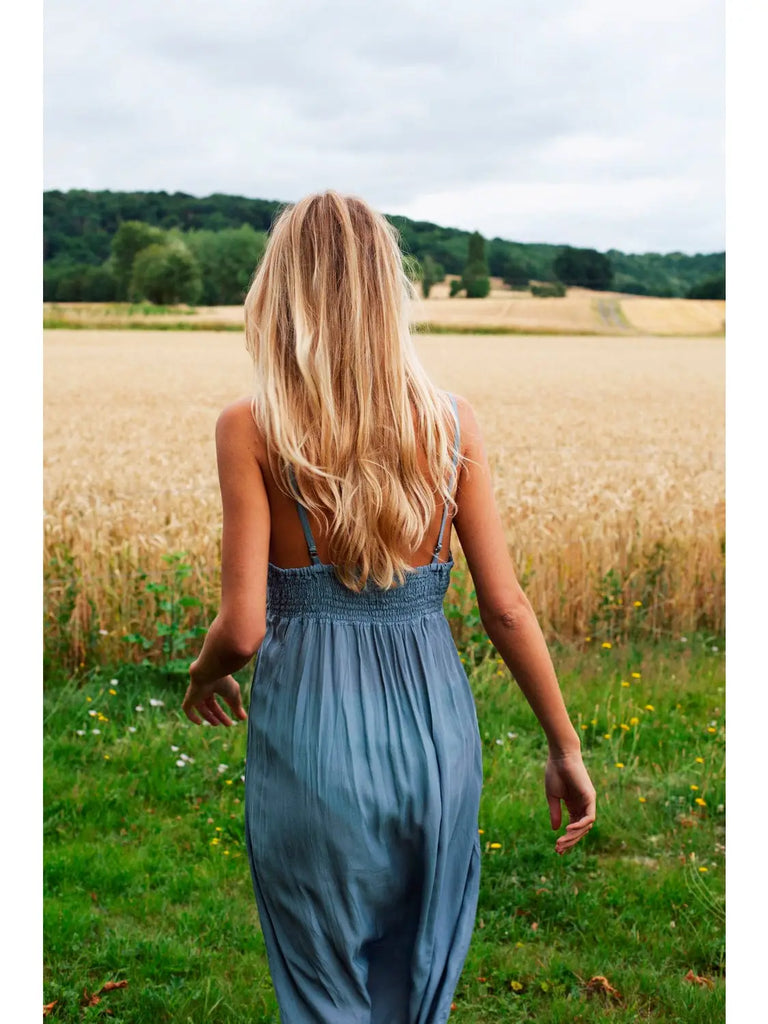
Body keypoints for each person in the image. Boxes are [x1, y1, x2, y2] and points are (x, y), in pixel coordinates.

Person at [182, 190, 596, 1024]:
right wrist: (564, 743)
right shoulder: (450, 424)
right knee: (417, 979)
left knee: (325, 988)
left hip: (313, 744)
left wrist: (202, 674)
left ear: (281, 294)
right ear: (387, 294)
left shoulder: (251, 428)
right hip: (437, 741)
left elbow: (245, 627)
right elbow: (507, 607)